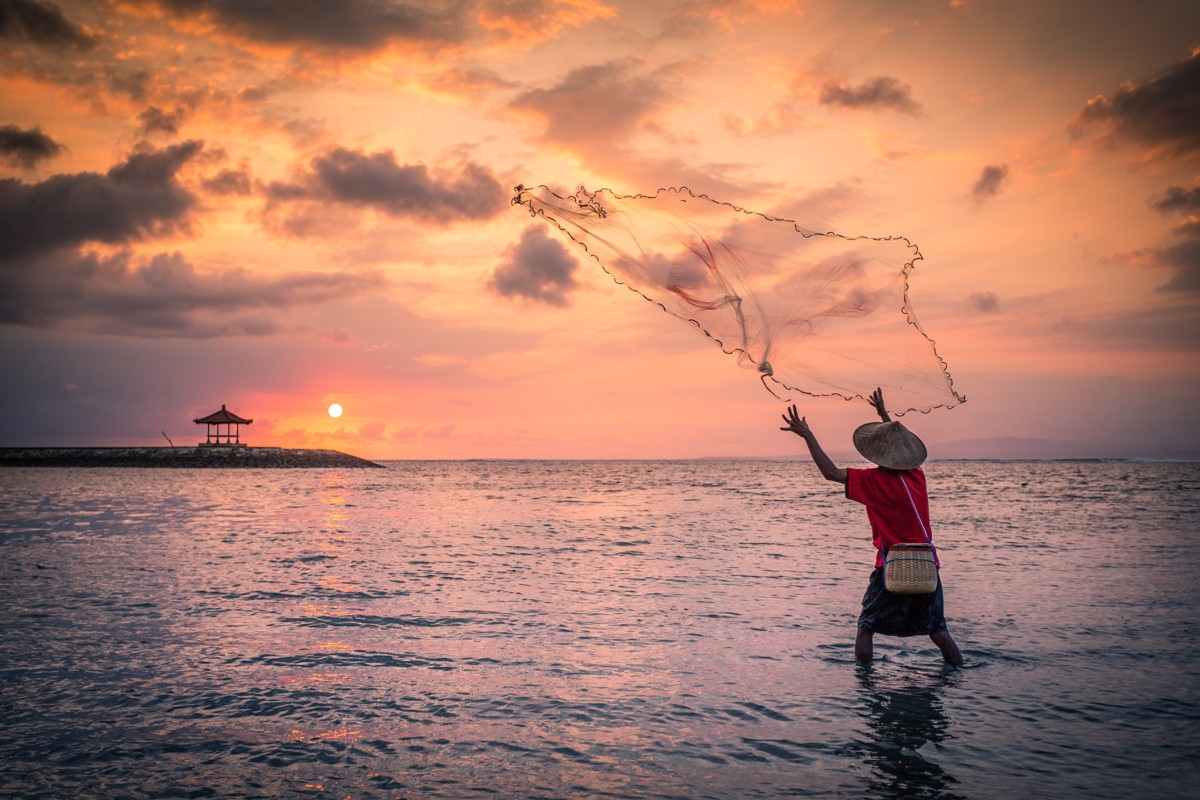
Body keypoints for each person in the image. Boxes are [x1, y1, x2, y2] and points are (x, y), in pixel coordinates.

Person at [780, 388, 964, 666]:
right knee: (938, 630)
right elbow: (901, 453)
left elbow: (830, 473)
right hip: (927, 564)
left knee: (866, 626)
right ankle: (957, 677)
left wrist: (808, 435)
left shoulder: (874, 482)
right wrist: (883, 414)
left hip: (890, 565)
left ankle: (864, 687)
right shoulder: (917, 476)